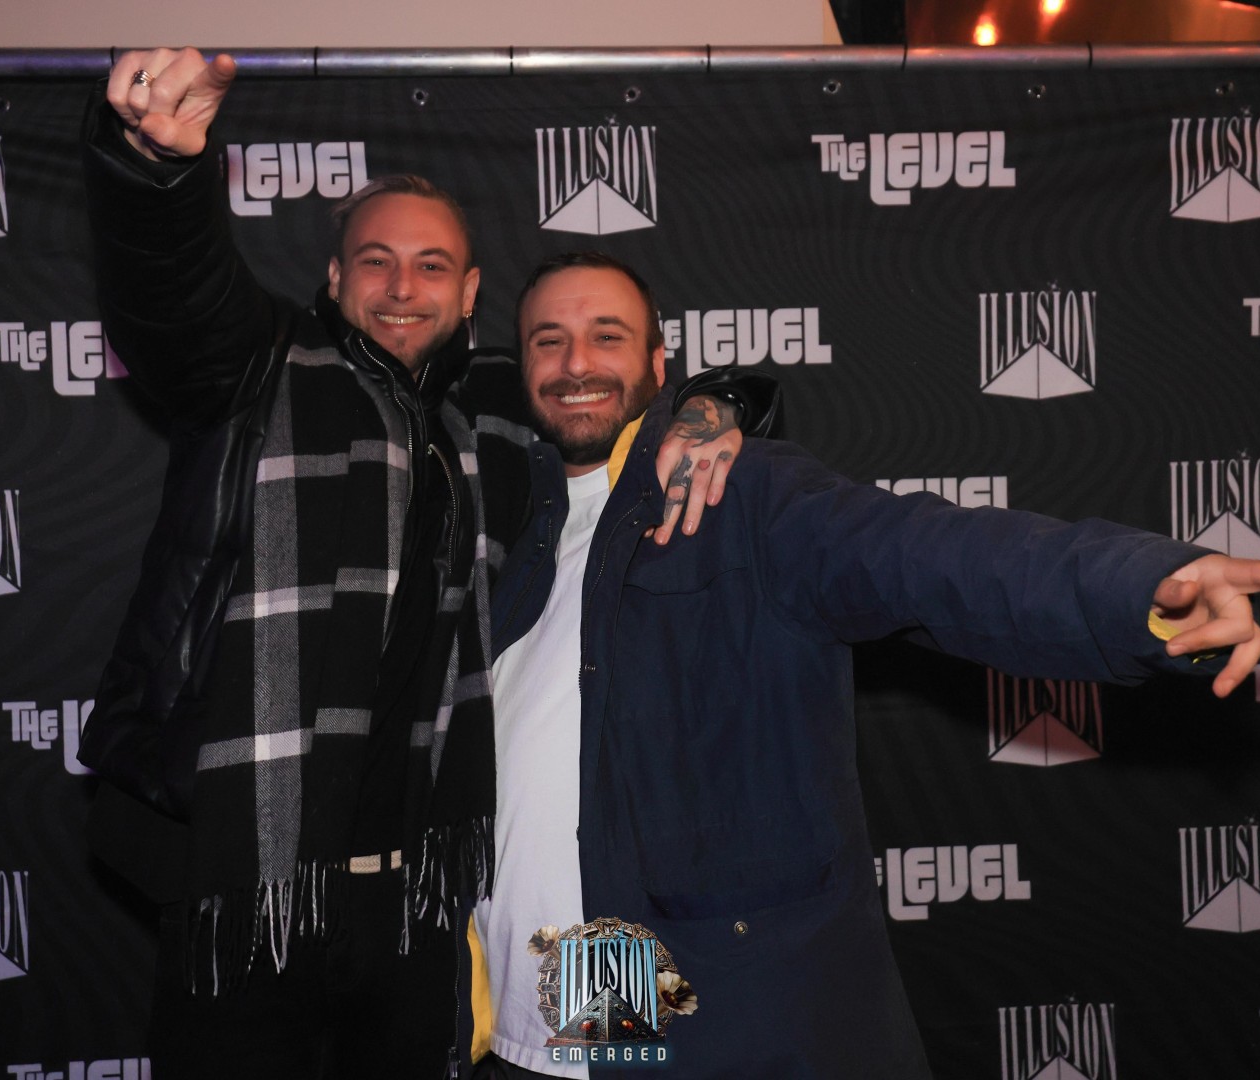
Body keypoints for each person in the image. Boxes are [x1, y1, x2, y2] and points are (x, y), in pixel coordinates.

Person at [76, 49, 775, 1079]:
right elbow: (173, 291)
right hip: (258, 888)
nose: (403, 288)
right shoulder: (259, 369)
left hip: (482, 902)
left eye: (433, 266)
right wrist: (159, 170)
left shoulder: (549, 440)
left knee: (604, 1065)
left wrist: (723, 405)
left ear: (471, 292)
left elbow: (648, 394)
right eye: (375, 261)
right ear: (332, 277)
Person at [465, 252, 1260, 1078]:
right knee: (586, 1065)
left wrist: (1139, 591)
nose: (575, 363)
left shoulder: (735, 492)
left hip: (716, 1007)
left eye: (607, 335)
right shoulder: (500, 521)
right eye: (549, 340)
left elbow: (924, 554)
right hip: (552, 1001)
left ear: (659, 362)